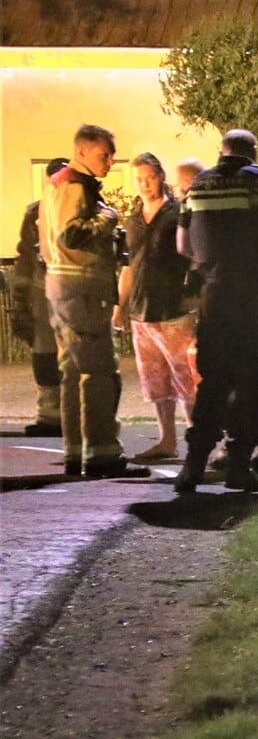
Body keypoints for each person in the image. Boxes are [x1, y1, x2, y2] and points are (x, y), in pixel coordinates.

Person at [175, 129, 258, 494]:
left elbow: (183, 244)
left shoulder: (197, 187)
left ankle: (192, 467)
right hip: (257, 299)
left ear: (222, 151)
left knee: (213, 383)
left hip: (214, 298)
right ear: (253, 152)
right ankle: (239, 467)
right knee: (252, 383)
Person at [40, 124, 144, 477]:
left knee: (72, 373)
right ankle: (103, 456)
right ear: (82, 151)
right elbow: (72, 233)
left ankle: (76, 452)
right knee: (98, 374)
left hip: (62, 289)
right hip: (83, 292)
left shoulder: (57, 184)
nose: (111, 161)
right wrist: (106, 218)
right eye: (105, 154)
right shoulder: (75, 184)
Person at [118, 152, 200, 461]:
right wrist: (120, 306)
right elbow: (128, 265)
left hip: (173, 312)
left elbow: (193, 257)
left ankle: (197, 442)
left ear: (161, 176)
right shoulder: (132, 219)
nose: (144, 184)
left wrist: (193, 296)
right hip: (142, 312)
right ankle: (167, 441)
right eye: (138, 179)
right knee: (156, 384)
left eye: (149, 177)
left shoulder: (178, 213)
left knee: (187, 381)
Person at [8, 159, 67, 437]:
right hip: (42, 291)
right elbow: (25, 257)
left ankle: (73, 412)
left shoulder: (80, 207)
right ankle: (49, 414)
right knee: (44, 352)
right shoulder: (35, 212)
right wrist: (20, 300)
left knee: (73, 354)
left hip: (72, 290)